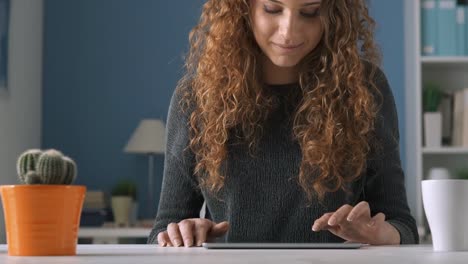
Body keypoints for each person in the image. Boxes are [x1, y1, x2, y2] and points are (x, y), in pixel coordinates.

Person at [148, 0, 419, 247]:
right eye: (272, 9)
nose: (289, 31)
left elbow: (402, 226)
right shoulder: (196, 96)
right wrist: (181, 234)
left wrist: (380, 234)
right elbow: (162, 232)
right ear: (242, 9)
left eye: (310, 12)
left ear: (333, 14)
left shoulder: (364, 89)